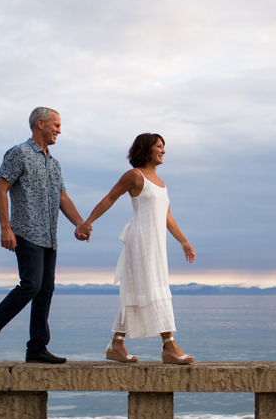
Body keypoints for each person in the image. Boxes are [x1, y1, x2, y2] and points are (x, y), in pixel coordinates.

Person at [0, 107, 89, 365]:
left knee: (45, 290)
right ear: (40, 124)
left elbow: (62, 197)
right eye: (56, 125)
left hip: (49, 237)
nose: (60, 130)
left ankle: (36, 348)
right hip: (26, 232)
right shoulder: (18, 153)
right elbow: (1, 189)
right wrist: (5, 228)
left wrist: (80, 223)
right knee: (31, 285)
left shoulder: (54, 163)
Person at [78, 133, 195, 364]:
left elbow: (167, 216)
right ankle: (169, 346)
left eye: (164, 147)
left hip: (157, 243)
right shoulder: (135, 175)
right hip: (140, 240)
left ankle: (116, 343)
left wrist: (183, 240)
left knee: (142, 289)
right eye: (159, 147)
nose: (163, 151)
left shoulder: (161, 183)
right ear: (146, 149)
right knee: (151, 287)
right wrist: (87, 222)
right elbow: (110, 198)